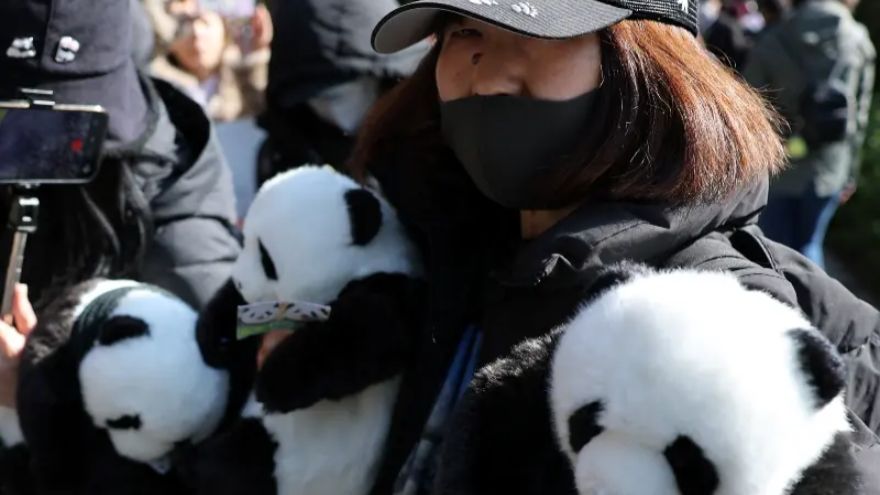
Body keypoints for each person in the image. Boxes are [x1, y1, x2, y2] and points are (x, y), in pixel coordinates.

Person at [337, 0, 880, 492]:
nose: (487, 74)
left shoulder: (712, 328)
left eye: (532, 26)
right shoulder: (442, 245)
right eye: (461, 30)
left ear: (646, 61)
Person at [0, 0, 241, 414]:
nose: (38, 143)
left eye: (71, 125)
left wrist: (45, 396)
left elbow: (213, 371)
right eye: (8, 122)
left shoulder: (168, 174)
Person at [744, 0, 874, 268]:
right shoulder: (859, 40)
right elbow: (858, 117)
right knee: (810, 244)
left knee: (772, 248)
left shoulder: (777, 36)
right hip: (831, 167)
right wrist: (850, 172)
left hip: (781, 163)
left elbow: (749, 107)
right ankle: (811, 304)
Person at [254, 0, 428, 186]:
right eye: (322, 97)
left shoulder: (429, 153)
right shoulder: (282, 162)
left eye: (356, 90)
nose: (340, 112)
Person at [144, 0, 273, 121]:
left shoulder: (244, 92)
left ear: (224, 32)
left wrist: (258, 53)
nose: (197, 33)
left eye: (205, 23)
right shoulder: (156, 91)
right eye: (185, 26)